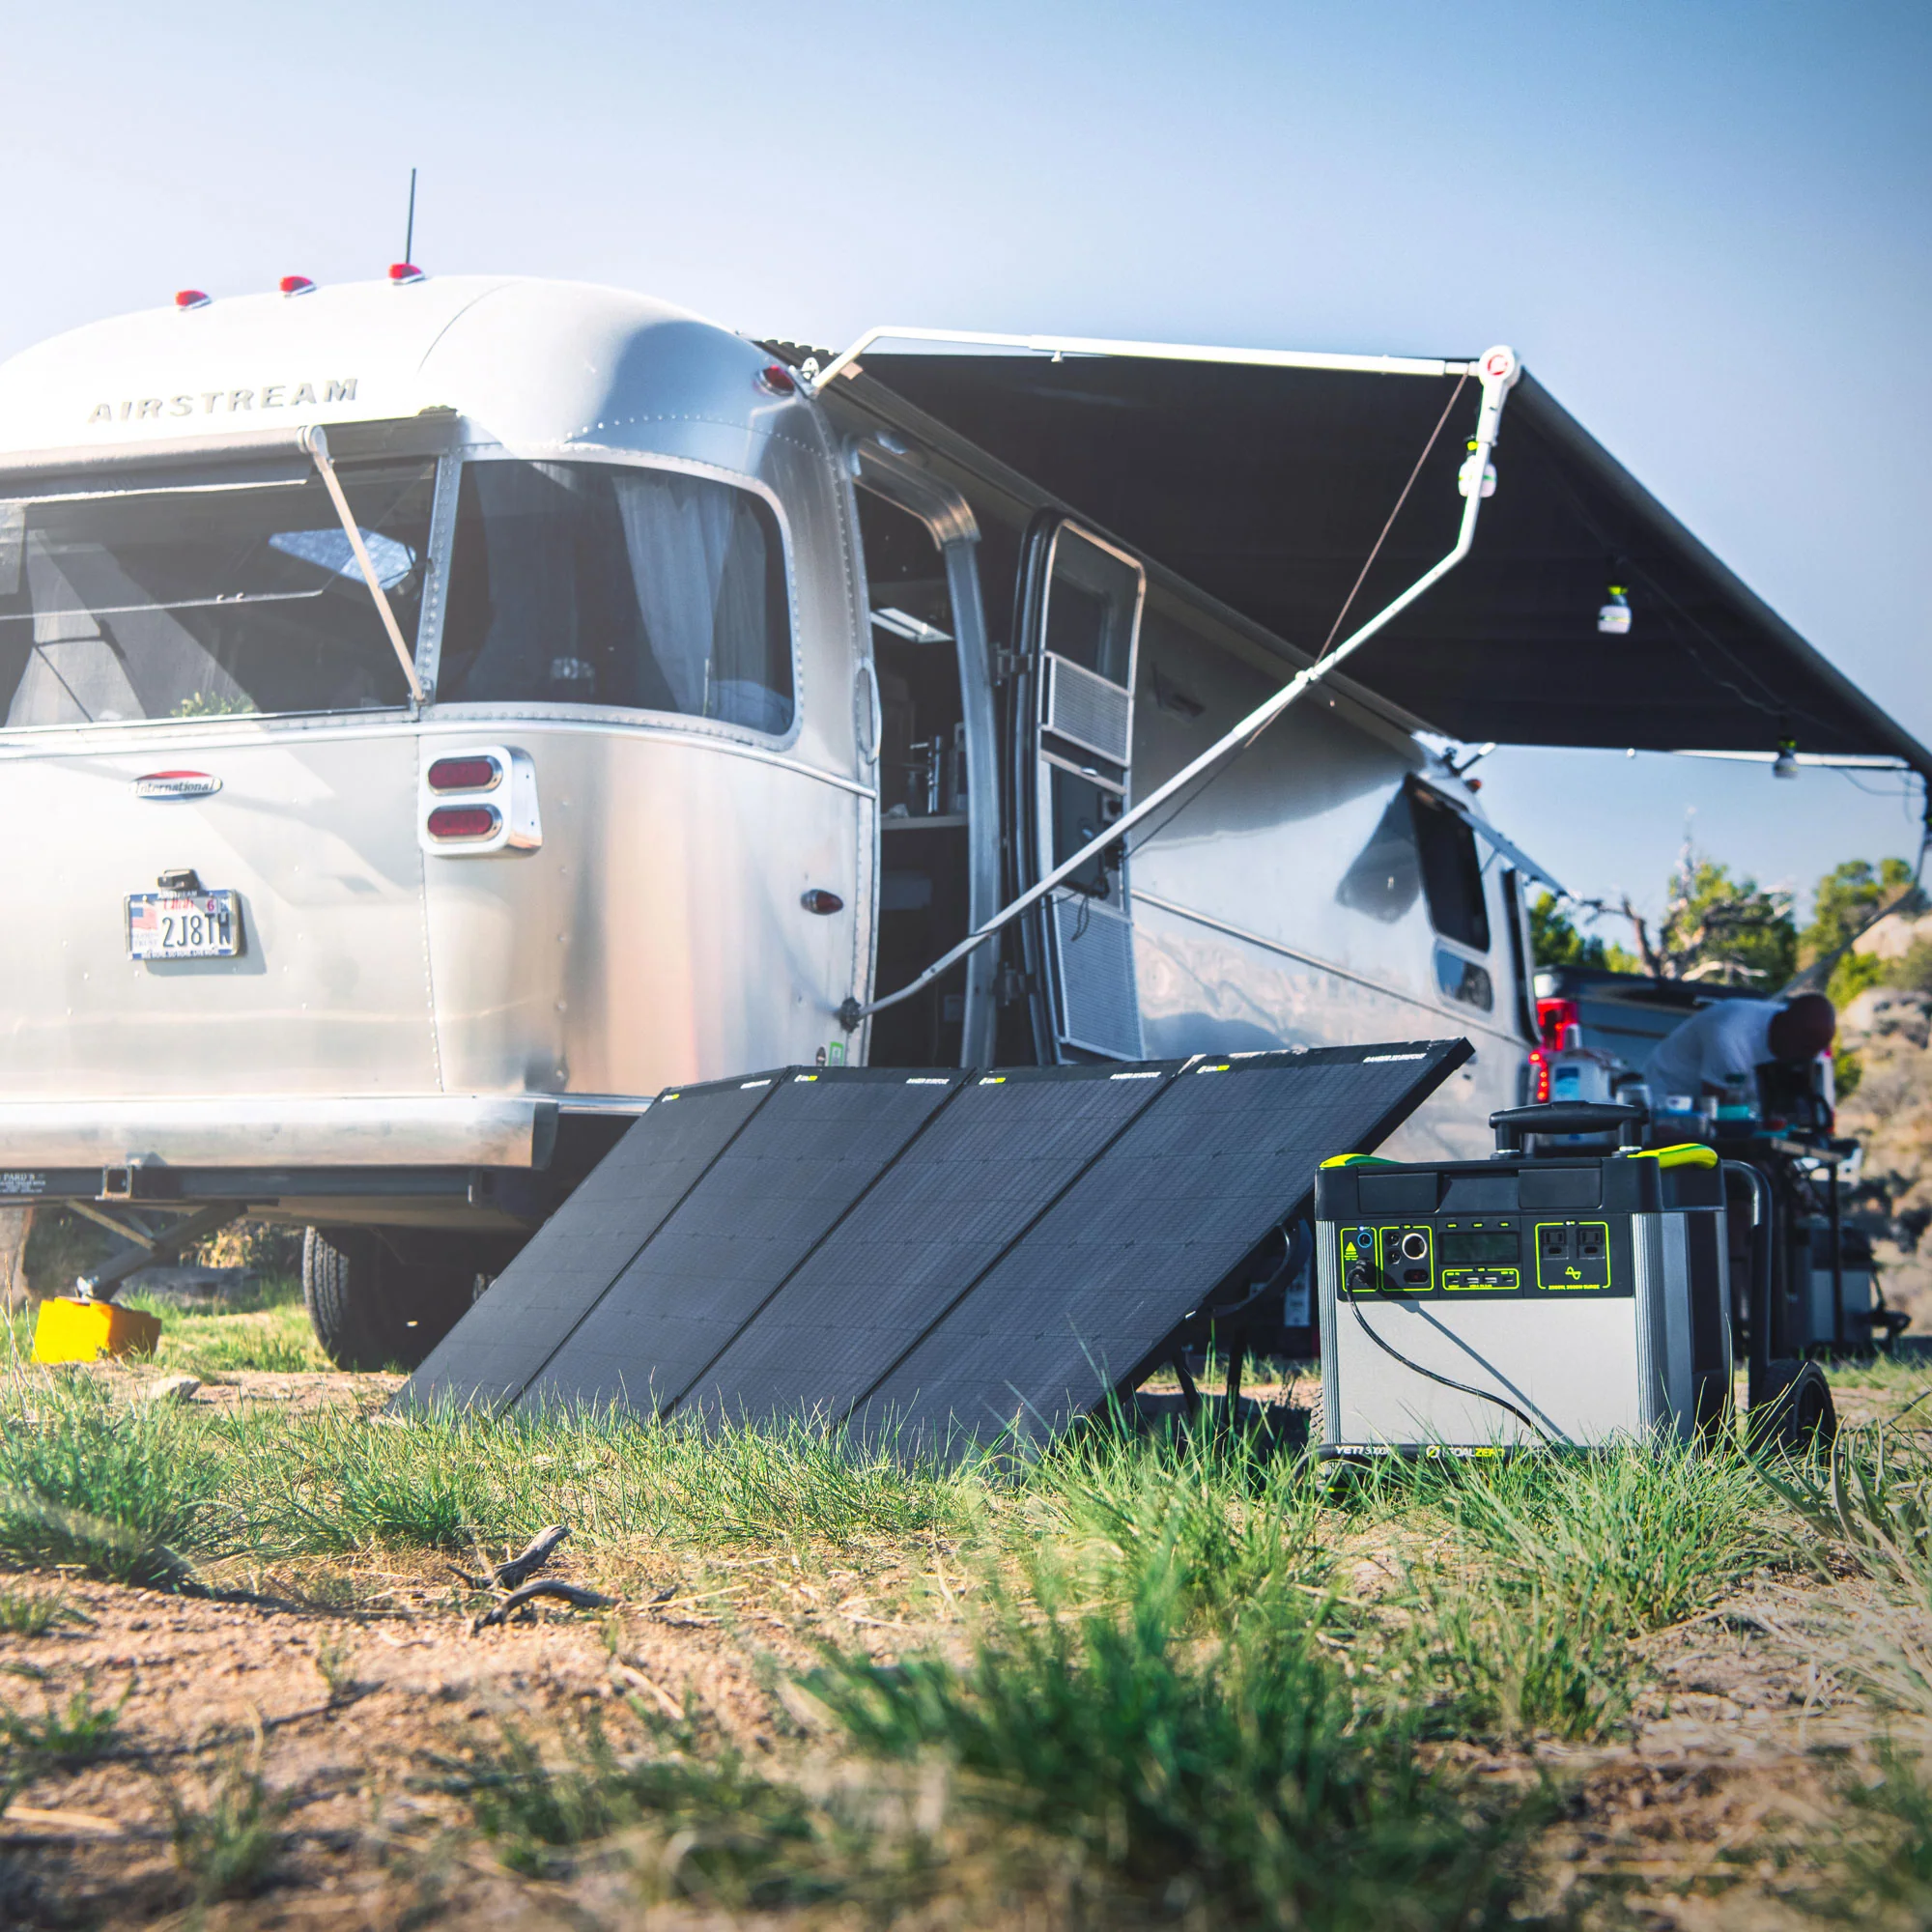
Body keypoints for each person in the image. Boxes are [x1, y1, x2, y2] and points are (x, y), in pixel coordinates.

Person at [1644, 992, 1837, 1113]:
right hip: (1667, 1093)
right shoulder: (1729, 1035)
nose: (1809, 1058)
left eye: (1816, 1052)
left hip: (1720, 1100)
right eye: (1806, 1050)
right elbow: (1717, 1114)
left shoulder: (1807, 1036)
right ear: (1786, 1031)